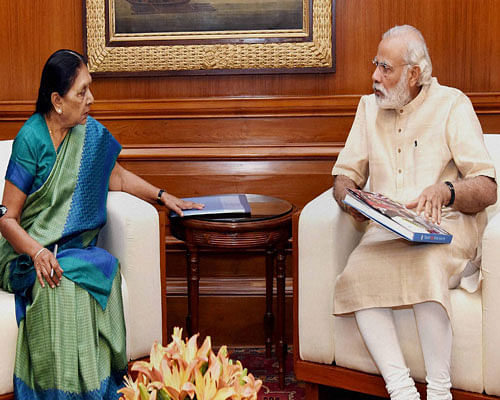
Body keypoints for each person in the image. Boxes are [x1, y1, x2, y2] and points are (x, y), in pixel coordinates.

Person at [0, 49, 203, 399]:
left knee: (94, 278)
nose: (91, 99)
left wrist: (162, 195)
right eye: (82, 92)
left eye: (90, 88)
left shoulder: (87, 134)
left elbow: (118, 178)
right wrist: (37, 253)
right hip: (26, 255)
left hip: (76, 252)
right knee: (60, 288)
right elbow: (8, 219)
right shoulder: (30, 139)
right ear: (57, 100)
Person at [332, 25, 497, 400]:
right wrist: (351, 201)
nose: (375, 76)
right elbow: (344, 176)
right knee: (356, 272)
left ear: (414, 74)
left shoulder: (453, 105)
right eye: (376, 65)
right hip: (390, 231)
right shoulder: (367, 108)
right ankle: (401, 389)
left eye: (386, 68)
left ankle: (440, 391)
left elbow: (487, 186)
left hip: (446, 227)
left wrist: (446, 191)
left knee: (425, 267)